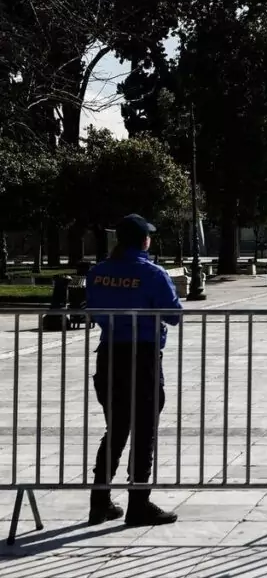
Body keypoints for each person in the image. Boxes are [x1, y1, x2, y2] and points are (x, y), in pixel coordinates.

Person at [86, 214, 182, 527]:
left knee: (115, 429)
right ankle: (138, 503)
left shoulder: (98, 272)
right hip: (143, 357)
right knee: (144, 431)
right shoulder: (152, 273)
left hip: (110, 355)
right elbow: (174, 315)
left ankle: (99, 502)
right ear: (144, 241)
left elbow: (94, 310)